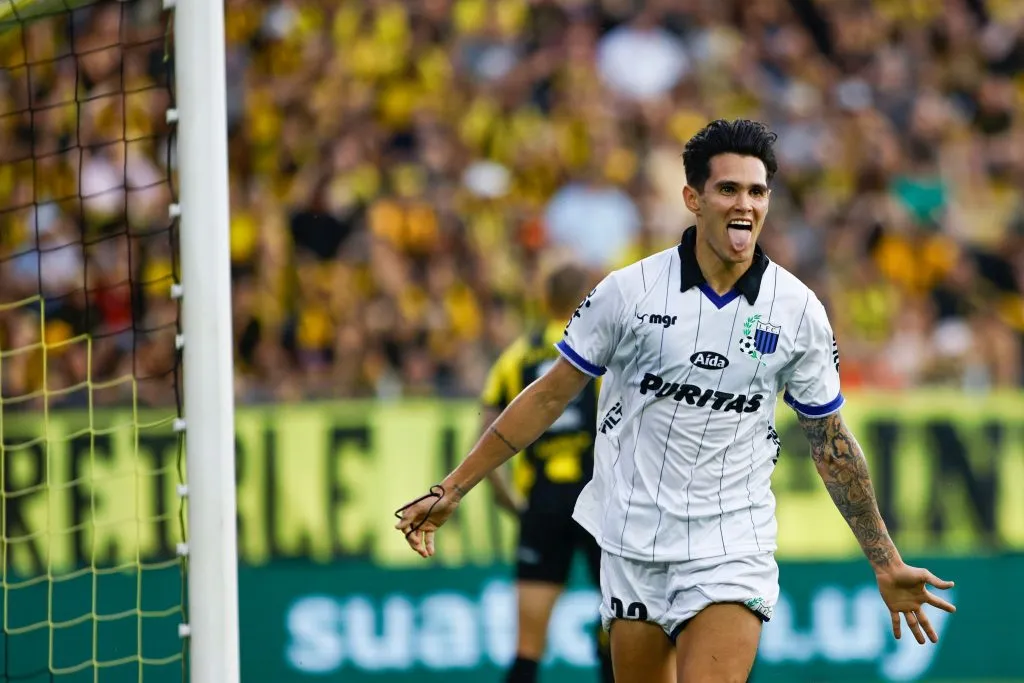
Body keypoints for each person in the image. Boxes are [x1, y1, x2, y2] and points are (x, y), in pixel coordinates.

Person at [395, 119, 956, 683]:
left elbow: (831, 444)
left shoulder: (797, 311)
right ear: (694, 198)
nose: (745, 205)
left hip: (733, 544)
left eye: (757, 191)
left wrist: (885, 562)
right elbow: (546, 399)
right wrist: (454, 487)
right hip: (631, 543)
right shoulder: (627, 293)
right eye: (728, 189)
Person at [477, 261, 614, 683]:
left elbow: (485, 436)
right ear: (584, 301)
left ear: (545, 300)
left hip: (542, 504)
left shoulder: (515, 356)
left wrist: (513, 504)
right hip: (600, 502)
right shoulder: (601, 349)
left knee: (526, 650)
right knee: (620, 629)